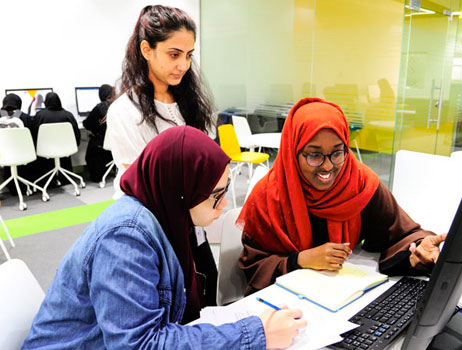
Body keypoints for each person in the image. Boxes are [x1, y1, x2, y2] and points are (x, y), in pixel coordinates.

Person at [21, 126, 306, 350]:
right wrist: (255, 335)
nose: (224, 206)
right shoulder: (125, 238)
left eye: (225, 189)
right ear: (181, 191)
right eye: (215, 196)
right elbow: (138, 345)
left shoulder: (170, 218)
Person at [237, 97, 447, 294]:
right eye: (314, 155)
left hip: (343, 297)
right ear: (293, 152)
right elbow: (254, 266)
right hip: (287, 307)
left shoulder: (359, 183)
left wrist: (418, 250)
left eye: (337, 153)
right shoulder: (267, 197)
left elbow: (398, 232)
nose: (327, 166)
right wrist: (299, 260)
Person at [107, 5, 214, 200]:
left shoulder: (188, 102)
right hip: (148, 213)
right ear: (147, 50)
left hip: (188, 207)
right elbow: (142, 182)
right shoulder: (125, 111)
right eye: (174, 54)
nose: (184, 65)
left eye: (188, 55)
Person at [31, 92, 81, 186]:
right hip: (66, 150)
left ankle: (48, 182)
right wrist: (76, 144)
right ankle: (65, 179)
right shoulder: (68, 115)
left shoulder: (40, 115)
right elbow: (77, 134)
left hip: (45, 152)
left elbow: (34, 135)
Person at [82, 84, 114, 182]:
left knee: (93, 141)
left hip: (103, 142)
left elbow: (87, 124)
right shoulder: (118, 105)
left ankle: (97, 175)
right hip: (117, 141)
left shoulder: (100, 107)